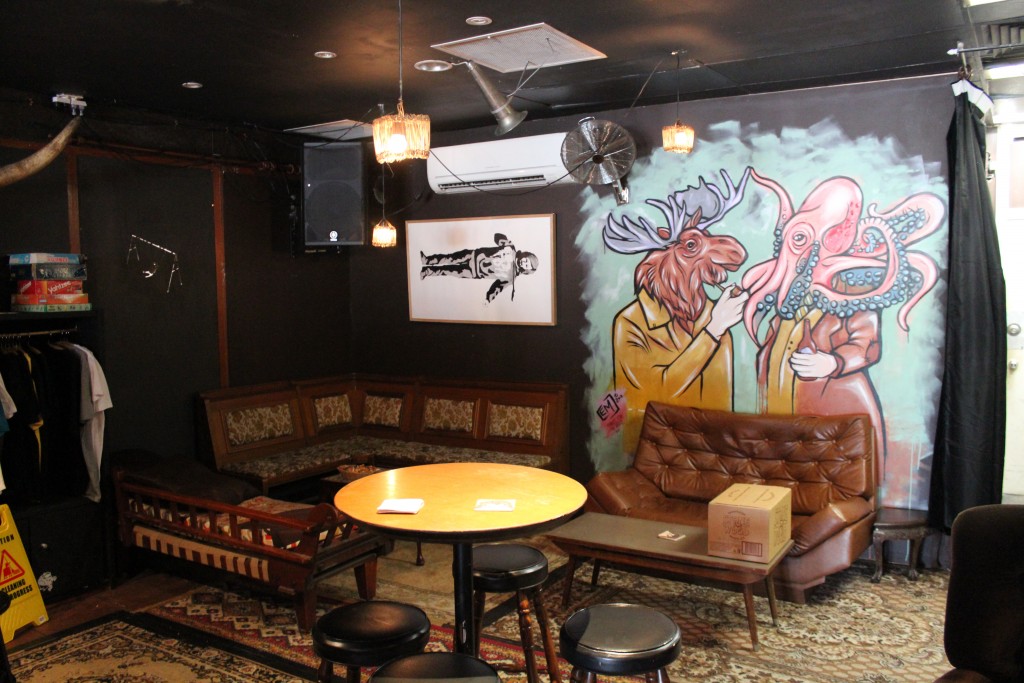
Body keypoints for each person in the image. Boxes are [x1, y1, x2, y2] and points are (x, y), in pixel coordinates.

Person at [420, 233, 538, 303]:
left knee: (448, 271)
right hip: (472, 255)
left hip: (473, 272)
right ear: (525, 256)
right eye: (526, 260)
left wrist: (488, 299)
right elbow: (496, 236)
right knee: (449, 258)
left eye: (527, 266)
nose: (524, 263)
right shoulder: (510, 248)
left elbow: (498, 287)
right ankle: (427, 260)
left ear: (526, 270)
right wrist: (505, 241)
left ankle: (427, 271)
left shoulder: (511, 277)